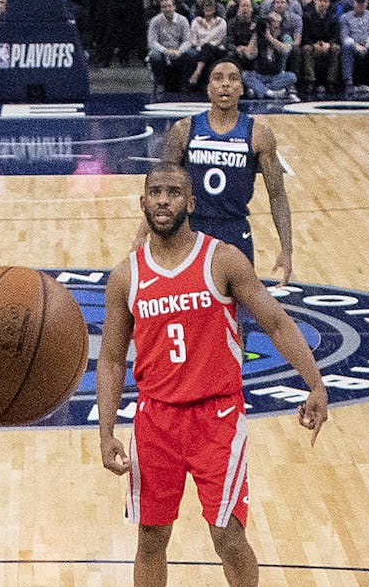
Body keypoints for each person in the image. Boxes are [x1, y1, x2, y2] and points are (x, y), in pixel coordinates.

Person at [98, 162, 328, 587]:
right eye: (155, 192)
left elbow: (276, 323)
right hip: (155, 420)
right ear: (143, 202)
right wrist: (106, 430)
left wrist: (315, 383)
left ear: (191, 202)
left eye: (173, 192)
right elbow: (111, 359)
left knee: (227, 536)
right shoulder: (125, 275)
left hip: (216, 417)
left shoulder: (222, 259)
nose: (163, 200)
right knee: (151, 537)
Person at [137, 59, 294, 283]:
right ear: (209, 87)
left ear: (241, 88)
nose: (225, 85)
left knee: (236, 311)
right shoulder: (184, 129)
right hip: (191, 229)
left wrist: (286, 250)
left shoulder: (259, 134)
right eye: (218, 78)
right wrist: (141, 234)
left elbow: (277, 195)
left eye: (232, 79)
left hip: (234, 229)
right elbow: (160, 189)